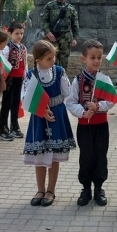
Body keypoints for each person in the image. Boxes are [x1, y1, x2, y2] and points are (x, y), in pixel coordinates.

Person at [23, 40, 76, 207]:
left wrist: (52, 104)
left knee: (53, 156)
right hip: (39, 117)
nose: (53, 60)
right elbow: (24, 97)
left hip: (56, 115)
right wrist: (41, 109)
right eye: (48, 58)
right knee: (39, 155)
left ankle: (51, 190)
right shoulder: (31, 75)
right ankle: (40, 189)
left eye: (53, 57)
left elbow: (66, 92)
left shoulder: (59, 72)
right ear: (38, 60)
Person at [65, 39, 116, 207]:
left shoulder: (105, 79)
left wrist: (99, 106)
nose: (96, 61)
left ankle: (99, 187)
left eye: (99, 57)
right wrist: (83, 112)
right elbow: (71, 102)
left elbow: (111, 100)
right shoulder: (78, 80)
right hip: (84, 126)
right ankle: (86, 187)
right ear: (84, 59)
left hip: (101, 125)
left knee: (100, 156)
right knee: (86, 157)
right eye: (92, 57)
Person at [0, 22, 27, 141]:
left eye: (21, 33)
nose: (19, 36)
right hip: (9, 79)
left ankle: (14, 126)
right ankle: (3, 129)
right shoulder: (6, 48)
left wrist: (25, 76)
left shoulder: (23, 47)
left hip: (19, 78)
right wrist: (2, 80)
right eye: (16, 33)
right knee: (6, 104)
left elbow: (24, 64)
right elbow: (2, 64)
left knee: (16, 103)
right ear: (10, 34)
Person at [39, 0, 78, 69]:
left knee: (64, 58)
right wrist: (48, 32)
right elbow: (43, 21)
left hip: (66, 38)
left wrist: (74, 38)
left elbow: (75, 24)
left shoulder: (71, 8)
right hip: (53, 36)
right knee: (51, 57)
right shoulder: (49, 6)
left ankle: (62, 76)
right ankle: (52, 77)